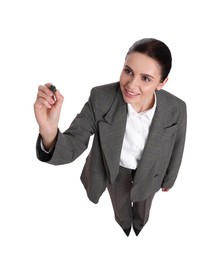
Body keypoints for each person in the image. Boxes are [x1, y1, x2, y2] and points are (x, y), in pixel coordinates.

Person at [34, 38, 187, 236]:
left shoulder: (176, 108)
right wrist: (49, 131)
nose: (131, 85)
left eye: (146, 78)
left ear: (162, 82)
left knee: (144, 204)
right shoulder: (101, 97)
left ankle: (139, 225)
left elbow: (177, 145)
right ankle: (124, 225)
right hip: (115, 170)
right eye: (128, 71)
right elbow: (74, 143)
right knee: (120, 205)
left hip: (151, 172)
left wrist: (169, 179)